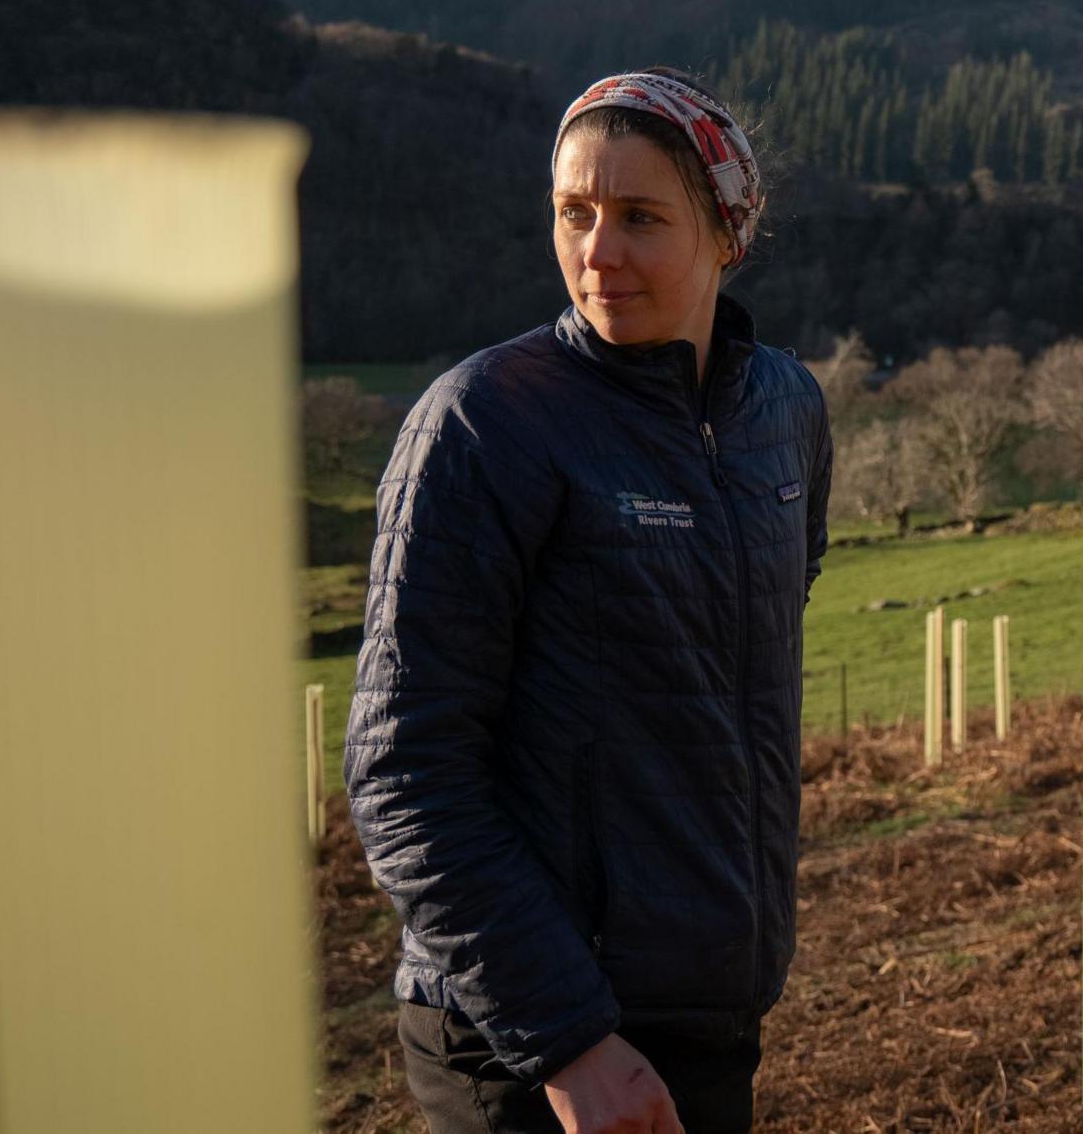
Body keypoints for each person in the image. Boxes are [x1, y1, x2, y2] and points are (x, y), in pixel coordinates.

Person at [346, 68, 832, 1134]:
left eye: (640, 217)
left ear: (728, 235)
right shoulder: (483, 425)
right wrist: (566, 1035)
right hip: (527, 1039)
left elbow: (730, 684)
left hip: (707, 1009)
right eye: (574, 213)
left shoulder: (784, 413)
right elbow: (402, 767)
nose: (596, 252)